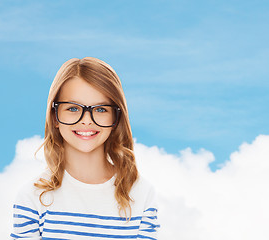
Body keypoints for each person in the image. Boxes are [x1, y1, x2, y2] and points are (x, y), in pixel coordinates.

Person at [10, 57, 160, 239]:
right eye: (73, 108)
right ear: (55, 116)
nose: (86, 119)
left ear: (116, 118)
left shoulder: (141, 194)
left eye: (101, 109)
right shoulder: (33, 197)